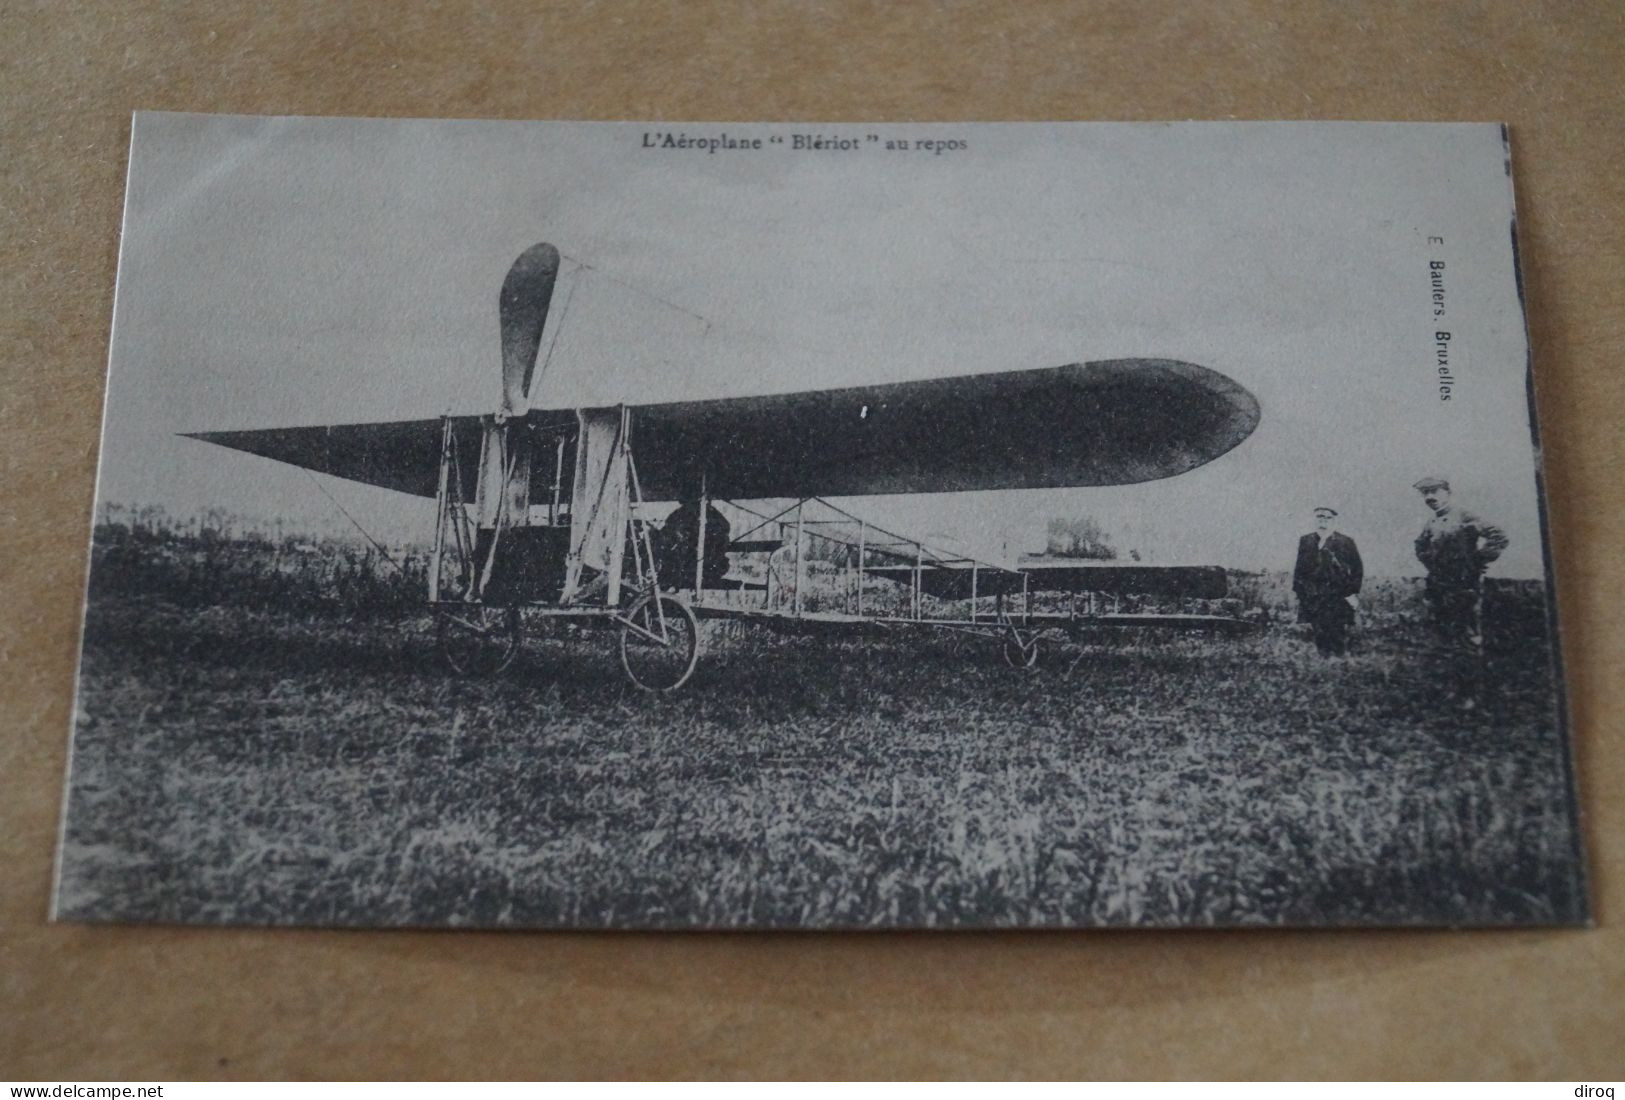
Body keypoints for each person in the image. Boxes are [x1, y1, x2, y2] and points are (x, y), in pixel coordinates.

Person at [1412, 476, 1509, 705]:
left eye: (1434, 491)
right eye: (1425, 493)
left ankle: (1471, 695)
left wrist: (1476, 562)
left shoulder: (1464, 515)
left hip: (1465, 587)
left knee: (1467, 640)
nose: (1430, 498)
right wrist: (1433, 565)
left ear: (1447, 492)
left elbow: (1499, 537)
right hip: (1440, 587)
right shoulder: (1432, 522)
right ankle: (1453, 690)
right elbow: (1420, 546)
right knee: (1446, 639)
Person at [1292, 506, 1364, 656]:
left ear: (1334, 520)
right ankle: (1323, 662)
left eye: (1327, 517)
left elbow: (1357, 568)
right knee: (1318, 630)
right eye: (1319, 516)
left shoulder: (1346, 541)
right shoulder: (1306, 540)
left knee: (1336, 630)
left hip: (1337, 595)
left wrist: (1351, 592)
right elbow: (1299, 569)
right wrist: (1300, 592)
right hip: (1313, 596)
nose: (1323, 519)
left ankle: (1338, 662)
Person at [656, 499, 732, 590]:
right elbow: (668, 528)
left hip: (706, 562)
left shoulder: (714, 517)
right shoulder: (678, 515)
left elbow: (723, 531)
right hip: (685, 560)